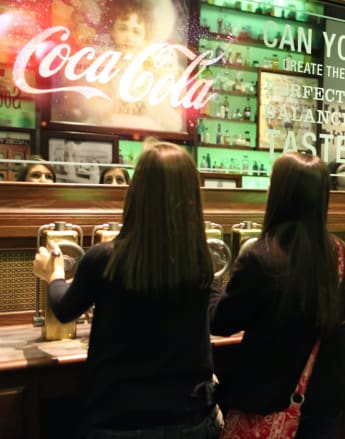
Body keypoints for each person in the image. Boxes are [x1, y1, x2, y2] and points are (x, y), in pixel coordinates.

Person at [33, 140, 221, 439]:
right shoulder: (199, 262)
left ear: (137, 192)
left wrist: (54, 274)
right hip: (192, 419)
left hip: (118, 422)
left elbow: (65, 309)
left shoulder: (106, 258)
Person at [209, 152, 345, 438]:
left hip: (267, 413)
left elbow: (221, 323)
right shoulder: (341, 255)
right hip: (324, 414)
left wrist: (206, 281)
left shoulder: (263, 257)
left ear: (279, 195)